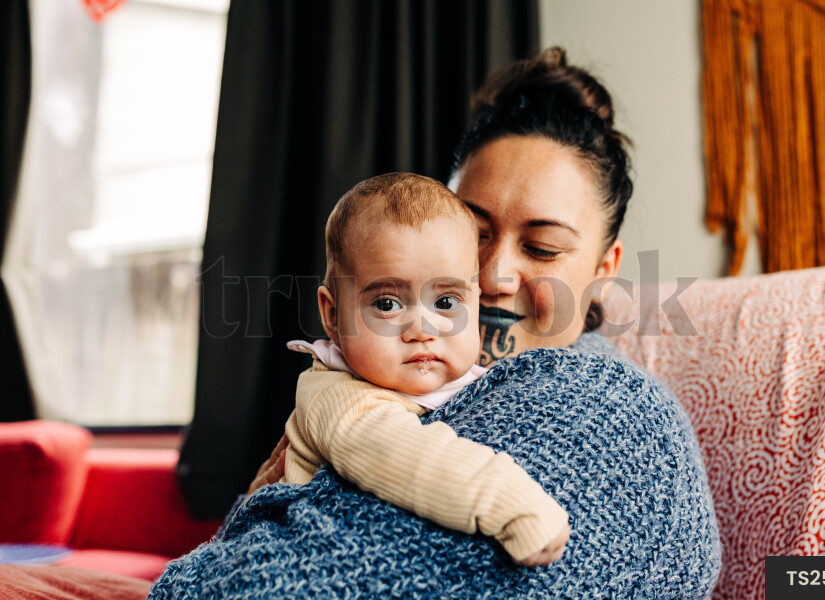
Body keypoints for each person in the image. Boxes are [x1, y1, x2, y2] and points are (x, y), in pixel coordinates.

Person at [150, 47, 721, 599]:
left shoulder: (604, 409)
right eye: (474, 236)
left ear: (603, 270)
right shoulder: (377, 382)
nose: (494, 275)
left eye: (543, 248)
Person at [280, 172, 569, 566]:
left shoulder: (487, 376)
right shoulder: (335, 395)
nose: (422, 330)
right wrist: (510, 503)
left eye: (447, 302)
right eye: (386, 304)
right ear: (333, 317)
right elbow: (402, 454)